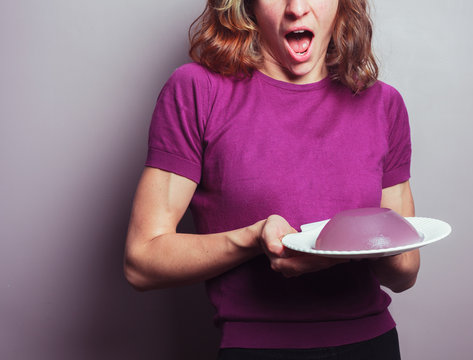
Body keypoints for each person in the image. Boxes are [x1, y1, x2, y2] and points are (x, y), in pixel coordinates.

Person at [124, 0, 420, 358]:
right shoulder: (197, 91)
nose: (296, 7)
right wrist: (252, 239)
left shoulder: (383, 104)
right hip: (256, 349)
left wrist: (351, 248)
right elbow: (141, 262)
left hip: (373, 345)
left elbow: (405, 272)